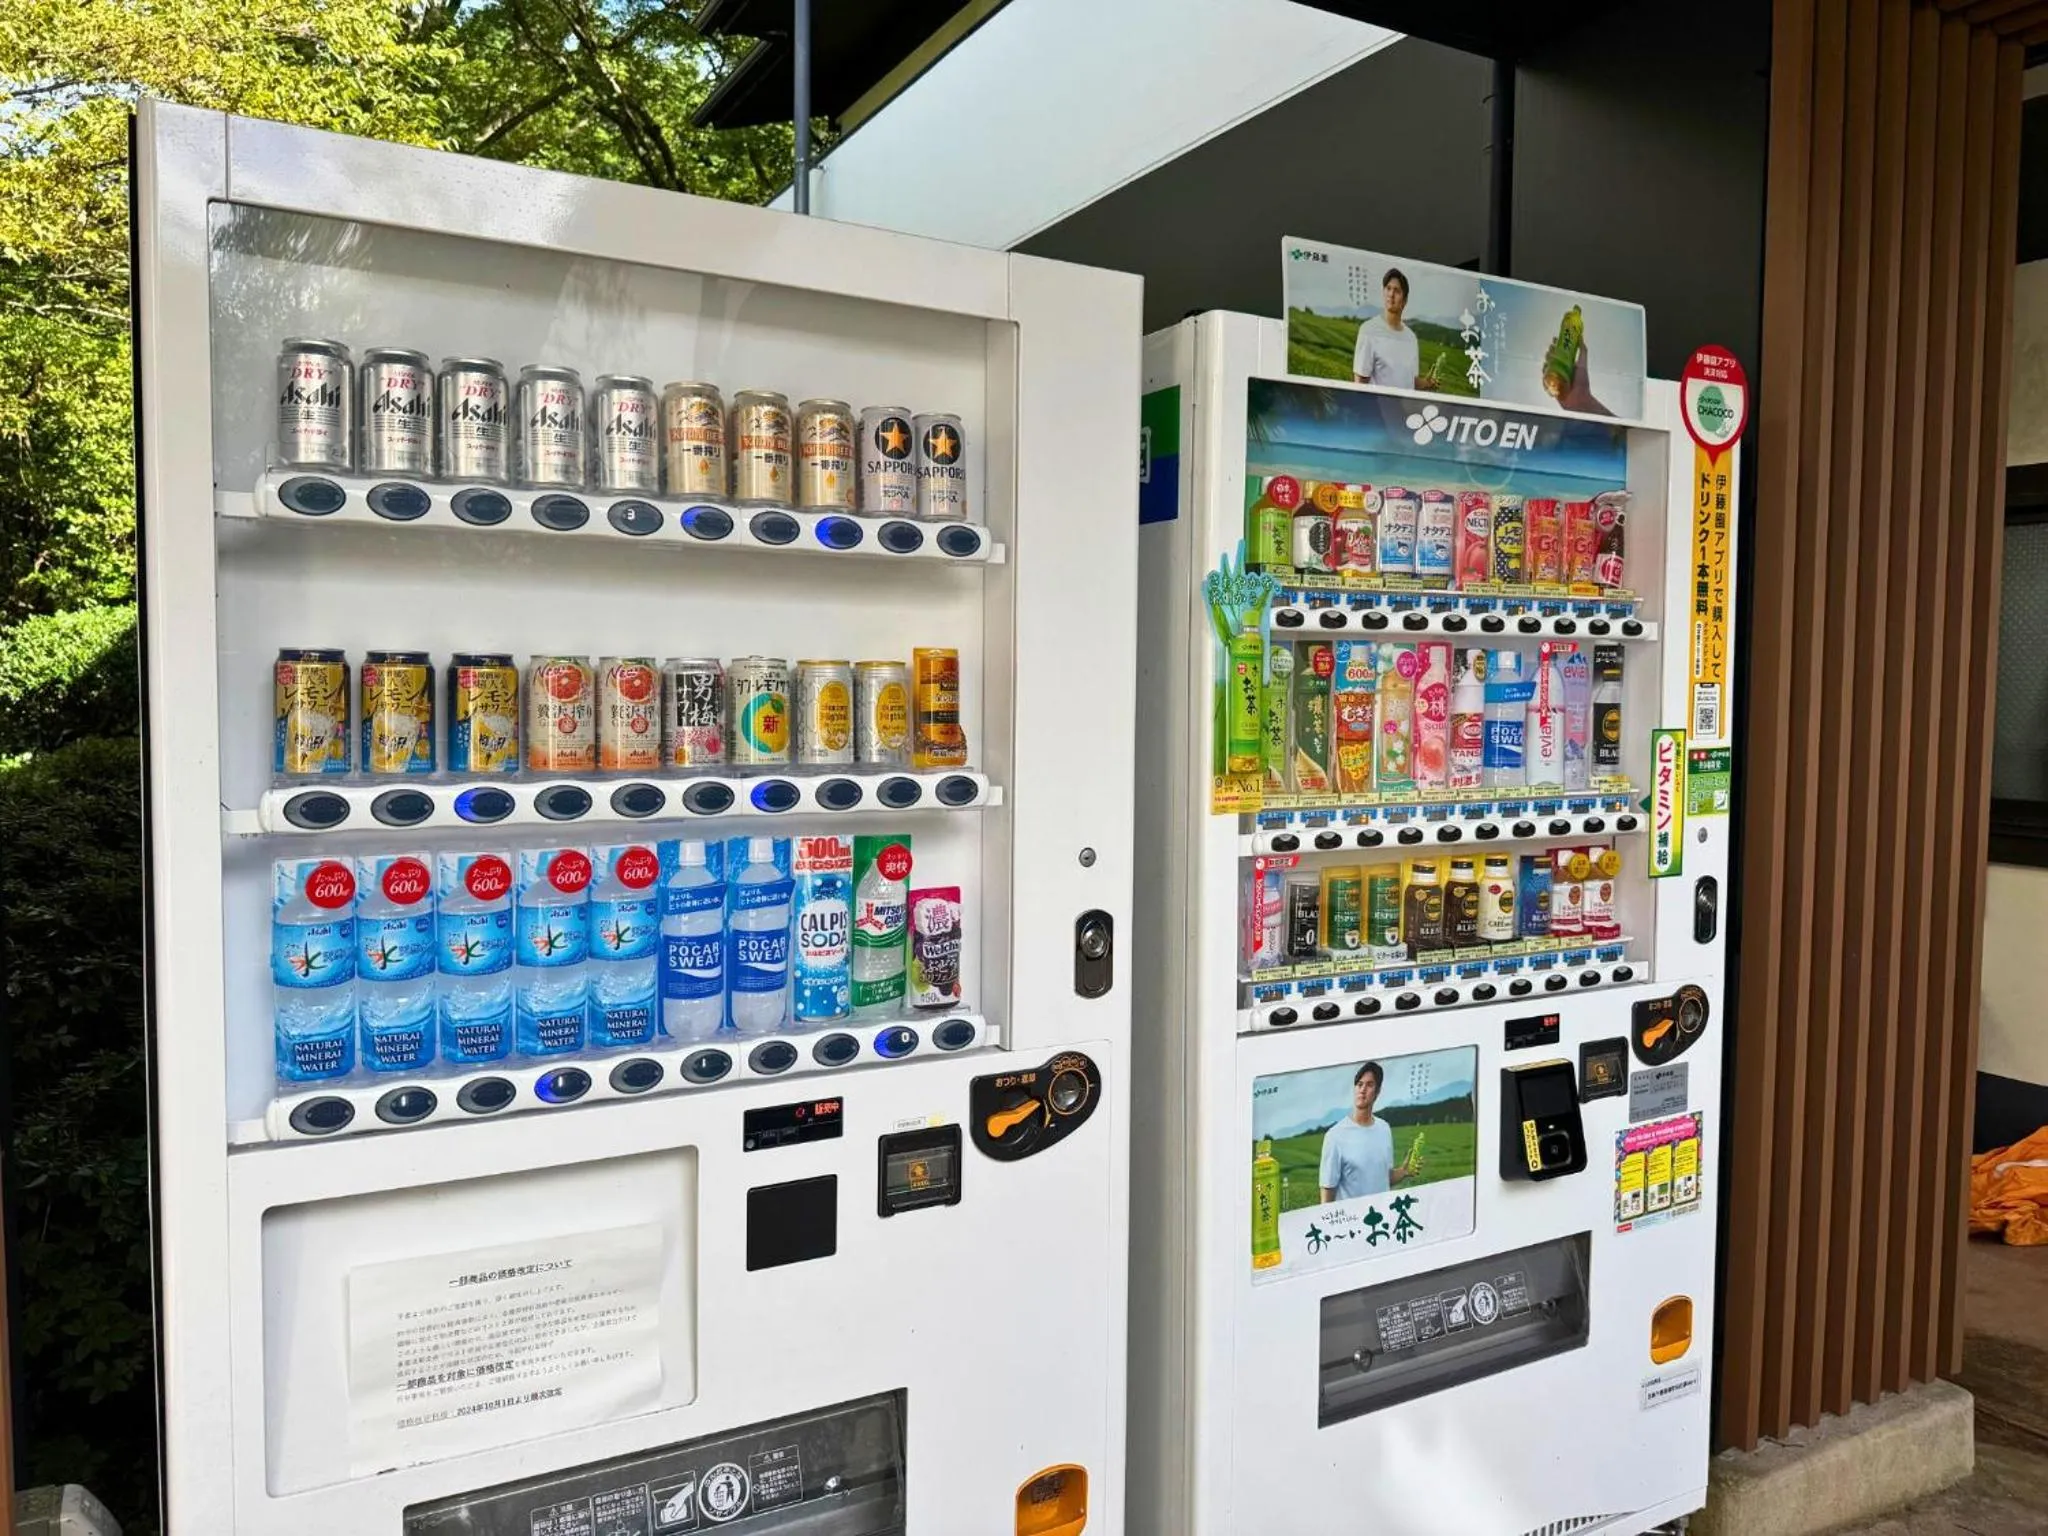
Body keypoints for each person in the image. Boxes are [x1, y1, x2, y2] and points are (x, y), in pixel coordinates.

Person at [1319, 1060, 1409, 1202]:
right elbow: (1327, 1196)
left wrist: (1403, 1172)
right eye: (1359, 1084)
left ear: (1377, 1092)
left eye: (1369, 1085)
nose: (1362, 1089)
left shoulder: (1384, 1129)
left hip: (1381, 1218)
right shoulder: (1335, 1136)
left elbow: (1383, 1180)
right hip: (1352, 1222)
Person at [1352, 269, 1422, 390]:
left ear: (1404, 301)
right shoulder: (1369, 330)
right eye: (1388, 288)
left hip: (1406, 408)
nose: (1391, 294)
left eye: (1397, 291)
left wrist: (1427, 383)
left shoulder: (1411, 338)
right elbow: (1360, 383)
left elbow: (1411, 381)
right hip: (1378, 408)